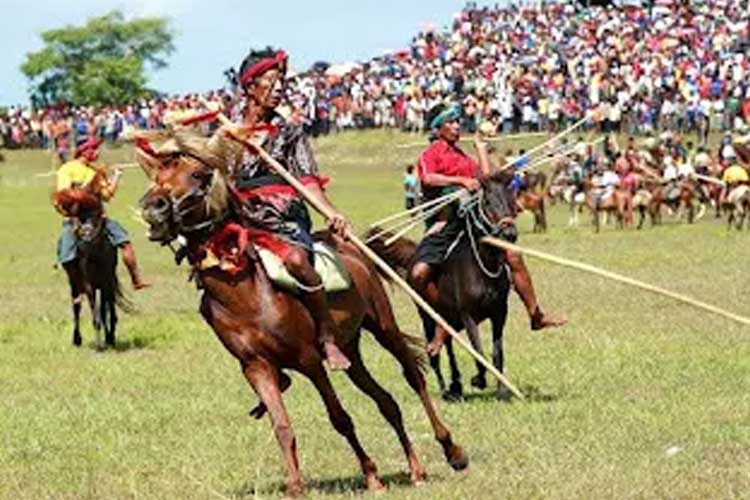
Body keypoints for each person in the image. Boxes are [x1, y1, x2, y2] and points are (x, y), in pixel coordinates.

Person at [209, 47, 351, 370]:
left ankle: (327, 337)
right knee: (207, 283)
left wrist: (330, 213)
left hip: (281, 221)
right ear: (249, 88)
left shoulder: (289, 132)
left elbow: (308, 181)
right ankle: (253, 354)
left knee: (299, 261)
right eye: (269, 82)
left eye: (281, 83)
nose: (278, 89)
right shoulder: (226, 134)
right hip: (241, 222)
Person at [412, 105, 565, 332]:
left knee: (513, 256)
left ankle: (536, 314)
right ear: (438, 128)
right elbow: (428, 178)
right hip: (445, 223)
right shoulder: (430, 154)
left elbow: (486, 179)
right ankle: (441, 321)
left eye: (457, 121)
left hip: (474, 222)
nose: (457, 126)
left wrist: (481, 149)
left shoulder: (463, 157)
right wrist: (460, 181)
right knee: (418, 274)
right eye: (451, 122)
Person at [54, 137, 149, 290]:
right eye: (94, 148)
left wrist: (116, 176)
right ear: (84, 151)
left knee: (125, 242)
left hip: (97, 217)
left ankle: (136, 279)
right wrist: (85, 188)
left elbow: (107, 195)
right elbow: (64, 194)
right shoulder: (68, 169)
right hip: (75, 218)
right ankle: (78, 285)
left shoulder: (95, 172)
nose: (97, 152)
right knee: (66, 255)